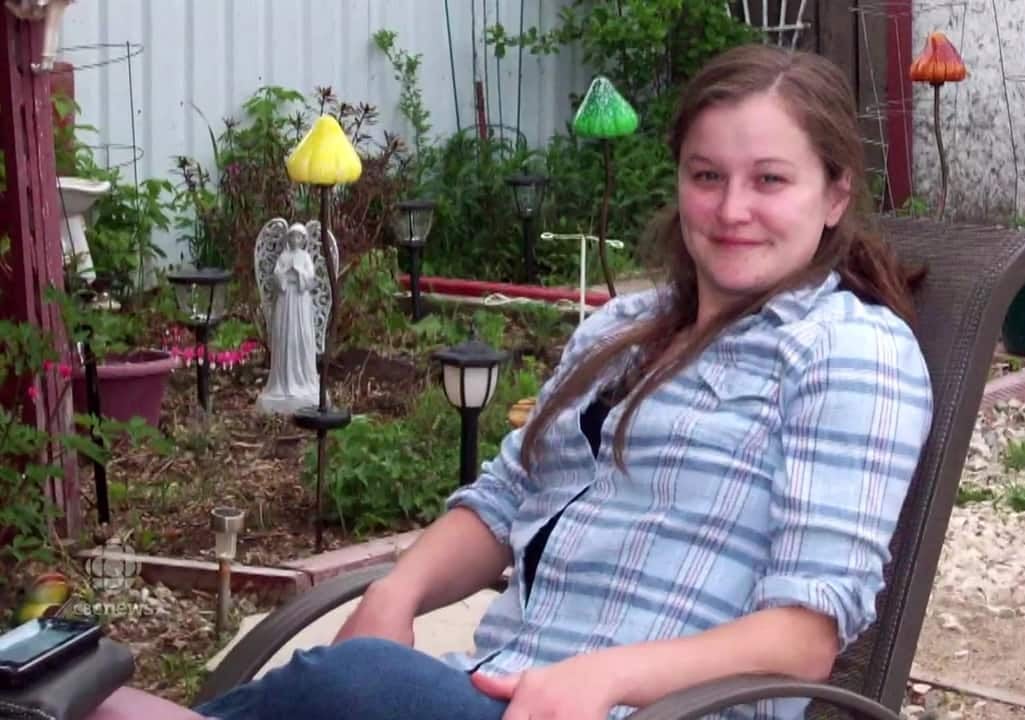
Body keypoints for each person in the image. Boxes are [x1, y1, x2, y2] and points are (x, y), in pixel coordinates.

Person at [195, 43, 933, 720]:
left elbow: (803, 636)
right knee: (119, 695)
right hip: (495, 687)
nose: (731, 208)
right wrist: (398, 591)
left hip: (647, 711)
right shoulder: (618, 332)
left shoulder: (847, 350)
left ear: (834, 194)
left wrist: (606, 676)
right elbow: (504, 500)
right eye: (706, 176)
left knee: (354, 686)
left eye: (769, 179)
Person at [257, 222, 321, 414]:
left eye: (299, 237)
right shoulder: (283, 257)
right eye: (292, 237)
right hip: (285, 302)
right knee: (285, 338)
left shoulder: (306, 257)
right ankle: (284, 380)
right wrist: (285, 273)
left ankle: (304, 380)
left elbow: (311, 280)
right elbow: (277, 278)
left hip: (301, 302)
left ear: (303, 240)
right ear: (289, 239)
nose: (295, 240)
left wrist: (299, 272)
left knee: (301, 338)